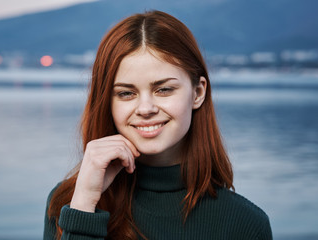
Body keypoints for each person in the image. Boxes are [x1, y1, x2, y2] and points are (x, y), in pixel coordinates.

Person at [43, 10, 272, 240]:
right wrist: (85, 203)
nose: (145, 108)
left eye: (163, 89)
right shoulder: (69, 204)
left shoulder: (247, 224)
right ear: (107, 102)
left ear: (198, 93)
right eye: (125, 93)